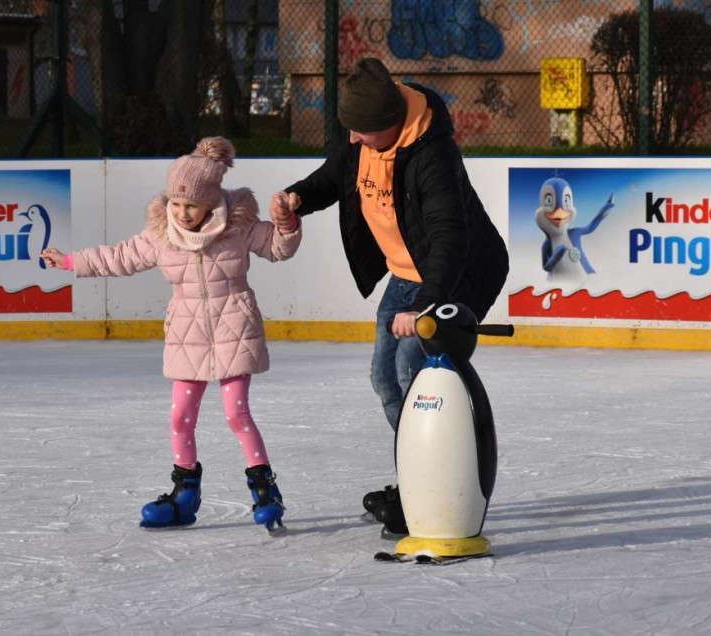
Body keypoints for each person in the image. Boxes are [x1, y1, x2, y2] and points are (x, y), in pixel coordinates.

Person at [270, 57, 509, 535]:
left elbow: (449, 236)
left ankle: (432, 485)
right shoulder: (363, 131)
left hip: (457, 272)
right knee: (384, 375)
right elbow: (334, 175)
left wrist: (425, 306)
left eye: (361, 133)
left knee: (410, 367)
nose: (353, 140)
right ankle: (418, 477)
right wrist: (297, 197)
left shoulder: (431, 154)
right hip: (407, 271)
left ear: (390, 124)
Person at [42, 137, 301, 532]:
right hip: (186, 334)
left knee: (236, 413)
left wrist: (287, 224)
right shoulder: (162, 234)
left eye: (191, 206)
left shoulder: (237, 226)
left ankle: (265, 491)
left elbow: (279, 248)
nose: (181, 213)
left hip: (235, 327)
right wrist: (70, 262)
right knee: (180, 415)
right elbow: (119, 257)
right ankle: (184, 495)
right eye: (175, 204)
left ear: (211, 203)